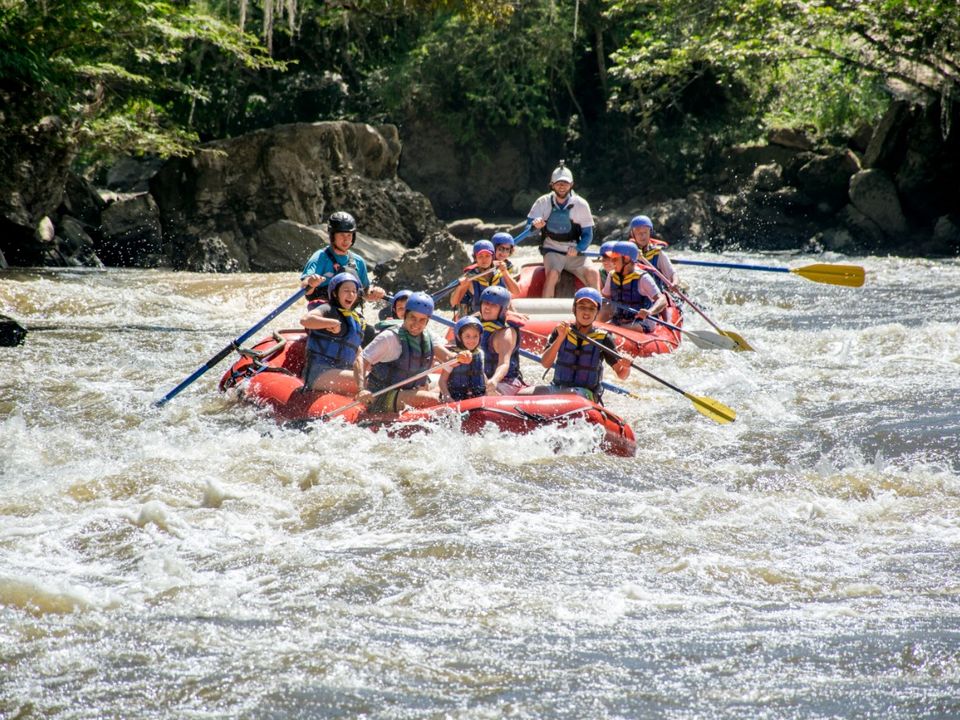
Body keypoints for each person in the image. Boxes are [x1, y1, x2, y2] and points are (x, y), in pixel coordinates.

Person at [355, 292, 470, 413]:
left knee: (450, 388)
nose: (416, 324)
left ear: (427, 321)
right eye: (413, 318)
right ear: (405, 315)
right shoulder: (389, 337)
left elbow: (447, 357)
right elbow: (361, 359)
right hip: (381, 396)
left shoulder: (428, 336)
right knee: (433, 400)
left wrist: (460, 357)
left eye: (422, 320)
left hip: (409, 391)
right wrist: (361, 389)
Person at [520, 288, 630, 403]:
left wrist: (626, 367)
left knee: (571, 393)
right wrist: (560, 337)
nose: (586, 312)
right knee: (521, 395)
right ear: (574, 309)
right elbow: (545, 363)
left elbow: (622, 375)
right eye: (582, 307)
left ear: (597, 312)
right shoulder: (561, 331)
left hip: (586, 394)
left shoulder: (604, 338)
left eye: (591, 308)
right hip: (559, 388)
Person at [526, 161, 600, 298]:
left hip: (573, 250)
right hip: (552, 249)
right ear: (552, 185)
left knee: (593, 273)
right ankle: (546, 309)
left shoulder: (581, 204)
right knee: (553, 273)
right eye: (558, 183)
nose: (562, 186)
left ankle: (597, 307)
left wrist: (579, 248)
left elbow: (587, 234)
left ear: (571, 185)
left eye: (565, 183)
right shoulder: (543, 202)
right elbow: (529, 229)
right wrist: (534, 226)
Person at [299, 211, 386, 307]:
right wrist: (311, 283)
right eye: (341, 235)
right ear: (332, 236)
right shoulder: (320, 257)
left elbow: (365, 292)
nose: (346, 239)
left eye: (349, 235)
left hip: (349, 314)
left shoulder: (359, 261)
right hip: (323, 311)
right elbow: (305, 287)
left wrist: (375, 293)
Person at [299, 272, 367, 394]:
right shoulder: (328, 309)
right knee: (372, 382)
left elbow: (358, 355)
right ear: (335, 293)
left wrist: (361, 384)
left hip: (340, 372)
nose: (351, 294)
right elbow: (305, 320)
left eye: (354, 291)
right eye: (346, 290)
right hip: (319, 373)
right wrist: (330, 323)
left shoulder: (356, 320)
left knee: (374, 380)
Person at [598, 241, 668, 332]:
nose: (612, 262)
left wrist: (650, 311)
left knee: (628, 328)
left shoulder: (642, 278)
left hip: (641, 322)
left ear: (626, 259)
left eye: (615, 259)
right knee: (601, 313)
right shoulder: (612, 275)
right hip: (619, 319)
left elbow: (662, 299)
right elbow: (605, 297)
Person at [478, 286, 527, 396]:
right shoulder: (476, 326)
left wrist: (494, 380)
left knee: (485, 392)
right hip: (483, 380)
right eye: (485, 303)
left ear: (502, 310)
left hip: (506, 382)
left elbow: (504, 363)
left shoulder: (506, 333)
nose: (487, 308)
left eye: (493, 305)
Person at [439, 316, 487, 402]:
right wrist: (447, 396)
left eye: (475, 336)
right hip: (456, 397)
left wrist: (489, 390)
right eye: (467, 336)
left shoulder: (480, 354)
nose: (472, 340)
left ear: (480, 336)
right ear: (459, 337)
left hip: (476, 396)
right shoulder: (453, 356)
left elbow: (481, 374)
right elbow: (442, 380)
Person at [626, 215, 679, 290]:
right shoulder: (627, 253)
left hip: (656, 294)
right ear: (633, 234)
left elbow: (672, 273)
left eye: (645, 232)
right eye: (638, 233)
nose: (642, 236)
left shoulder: (657, 253)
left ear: (650, 232)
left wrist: (675, 283)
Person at [450, 240, 498, 318]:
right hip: (473, 316)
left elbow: (514, 293)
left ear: (492, 257)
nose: (484, 259)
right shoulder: (470, 277)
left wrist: (505, 273)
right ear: (475, 258)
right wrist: (460, 287)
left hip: (494, 315)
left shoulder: (498, 273)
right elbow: (453, 303)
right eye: (480, 256)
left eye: (487, 256)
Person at [491, 231, 521, 296]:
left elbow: (516, 292)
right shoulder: (485, 263)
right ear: (493, 249)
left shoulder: (510, 267)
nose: (504, 253)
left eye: (507, 249)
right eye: (501, 249)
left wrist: (504, 271)